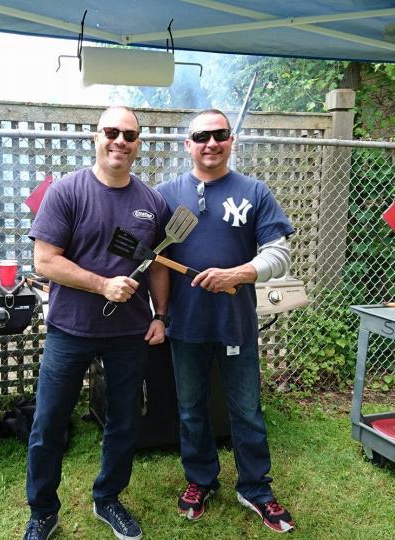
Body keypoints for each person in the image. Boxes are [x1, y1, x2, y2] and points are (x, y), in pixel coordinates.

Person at [23, 106, 170, 540]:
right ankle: (43, 512)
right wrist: (102, 285)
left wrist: (160, 315)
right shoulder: (67, 191)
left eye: (130, 135)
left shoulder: (152, 201)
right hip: (70, 329)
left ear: (138, 143)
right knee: (49, 422)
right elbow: (45, 260)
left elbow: (158, 264)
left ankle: (108, 499)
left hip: (128, 333)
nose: (120, 141)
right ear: (96, 136)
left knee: (125, 421)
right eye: (112, 132)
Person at [155, 109, 296, 533]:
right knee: (191, 409)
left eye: (220, 135)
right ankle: (200, 479)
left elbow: (279, 253)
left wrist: (239, 273)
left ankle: (255, 487)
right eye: (201, 136)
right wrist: (160, 315)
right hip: (186, 324)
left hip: (235, 323)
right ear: (188, 144)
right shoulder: (165, 195)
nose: (211, 143)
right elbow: (158, 263)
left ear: (231, 140)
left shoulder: (254, 191)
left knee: (247, 410)